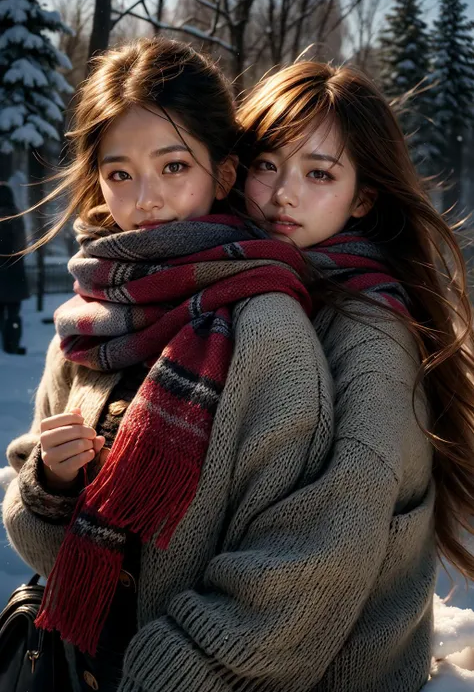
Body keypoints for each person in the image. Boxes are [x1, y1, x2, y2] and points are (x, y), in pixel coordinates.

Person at [2, 37, 337, 692]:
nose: (145, 197)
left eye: (174, 165)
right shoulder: (88, 320)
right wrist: (49, 479)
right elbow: (31, 517)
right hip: (72, 665)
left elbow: (294, 560)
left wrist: (169, 670)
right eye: (119, 172)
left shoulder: (264, 322)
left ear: (224, 174)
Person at [237, 60, 474, 690]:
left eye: (319, 173)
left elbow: (328, 550)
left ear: (363, 196)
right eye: (266, 163)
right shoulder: (256, 291)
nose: (283, 192)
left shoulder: (371, 330)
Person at [0, 183, 28, 354]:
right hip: (14, 273)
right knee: (13, 314)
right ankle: (12, 345)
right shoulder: (16, 216)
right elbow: (21, 244)